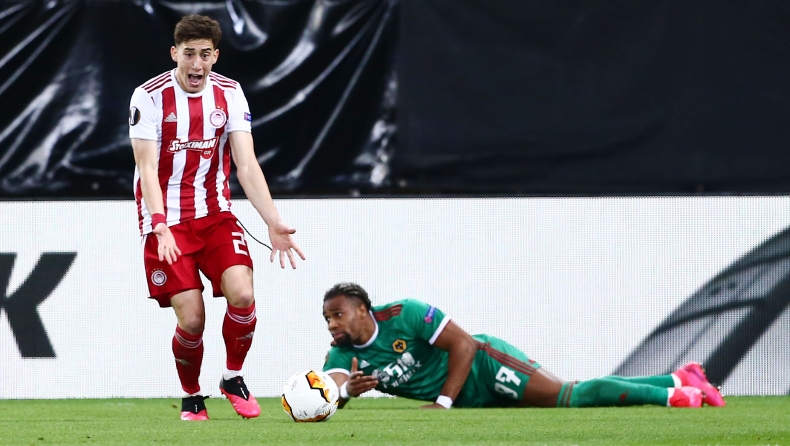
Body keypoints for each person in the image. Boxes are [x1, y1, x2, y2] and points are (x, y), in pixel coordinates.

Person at [129, 14, 306, 421]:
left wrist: (272, 221)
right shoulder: (148, 96)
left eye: (205, 55)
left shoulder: (230, 93)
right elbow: (147, 168)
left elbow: (246, 163)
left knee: (242, 293)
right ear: (174, 53)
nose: (197, 64)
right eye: (189, 54)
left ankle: (232, 376)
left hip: (215, 214)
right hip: (166, 222)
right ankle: (192, 396)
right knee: (192, 318)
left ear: (215, 56)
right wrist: (159, 224)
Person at [322, 283, 726, 410]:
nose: (332, 324)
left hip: (481, 365)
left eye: (338, 314)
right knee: (571, 391)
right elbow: (331, 391)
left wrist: (443, 403)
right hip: (469, 399)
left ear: (363, 310)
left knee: (568, 397)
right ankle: (681, 377)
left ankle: (674, 397)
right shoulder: (341, 354)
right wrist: (346, 392)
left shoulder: (406, 314)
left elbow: (464, 344)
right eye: (327, 318)